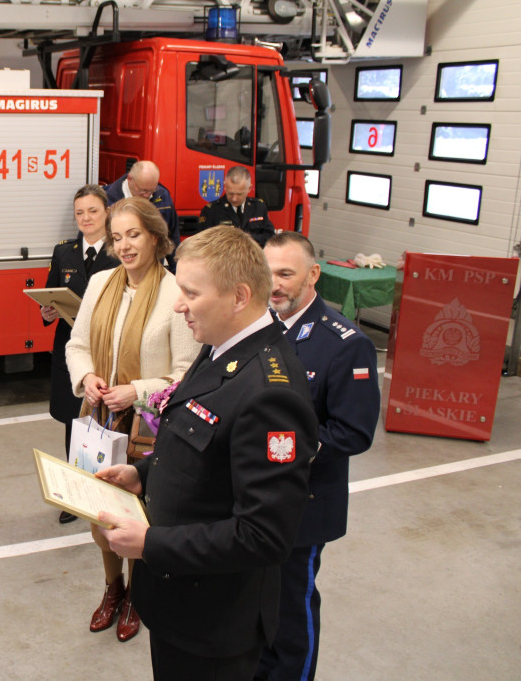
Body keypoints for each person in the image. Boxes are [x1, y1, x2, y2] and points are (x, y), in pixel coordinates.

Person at [97, 225, 318, 680]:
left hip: (215, 620)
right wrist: (143, 474)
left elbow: (265, 535)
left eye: (190, 293)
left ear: (239, 296)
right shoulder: (221, 344)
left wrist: (150, 543)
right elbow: (199, 445)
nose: (179, 305)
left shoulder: (270, 392)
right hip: (180, 601)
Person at [66, 197, 200, 643]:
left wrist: (138, 390)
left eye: (134, 235)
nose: (124, 246)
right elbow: (77, 343)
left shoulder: (174, 292)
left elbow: (186, 372)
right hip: (100, 423)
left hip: (148, 430)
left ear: (156, 237)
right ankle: (113, 589)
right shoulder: (101, 282)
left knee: (139, 519)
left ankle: (138, 597)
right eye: (116, 237)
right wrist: (86, 376)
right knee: (99, 518)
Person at [255, 232, 380, 681]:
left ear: (313, 275)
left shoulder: (345, 344)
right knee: (256, 604)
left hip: (303, 505)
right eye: (267, 272)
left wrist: (278, 450)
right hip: (254, 498)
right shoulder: (258, 327)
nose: (275, 284)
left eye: (286, 274)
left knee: (291, 609)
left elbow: (353, 432)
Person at [41, 184, 120, 524]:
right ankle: (75, 495)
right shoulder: (64, 252)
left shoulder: (121, 253)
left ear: (107, 213)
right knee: (75, 425)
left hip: (107, 350)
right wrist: (48, 312)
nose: (86, 218)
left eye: (93, 211)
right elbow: (51, 294)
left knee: (110, 425)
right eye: (80, 213)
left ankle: (111, 493)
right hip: (70, 352)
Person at [105, 161, 179, 269]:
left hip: (153, 269)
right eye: (143, 191)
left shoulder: (163, 196)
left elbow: (173, 237)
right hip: (117, 268)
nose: (147, 195)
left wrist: (176, 272)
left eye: (151, 191)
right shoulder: (107, 200)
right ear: (130, 179)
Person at [199, 165, 275, 246]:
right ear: (225, 187)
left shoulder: (258, 207)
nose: (234, 199)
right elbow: (202, 243)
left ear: (249, 188)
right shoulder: (211, 210)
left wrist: (247, 240)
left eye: (239, 194)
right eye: (230, 193)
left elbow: (270, 236)